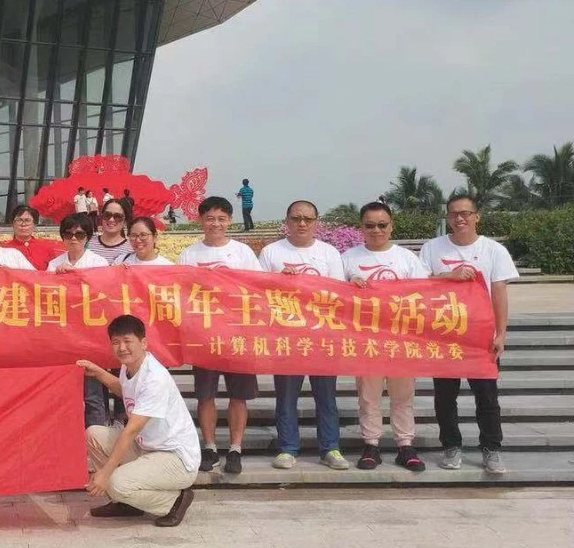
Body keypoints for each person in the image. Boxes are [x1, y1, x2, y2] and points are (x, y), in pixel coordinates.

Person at [420, 193, 517, 474]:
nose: (459, 218)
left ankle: (492, 449)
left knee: (487, 397)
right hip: (444, 334)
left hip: (480, 336)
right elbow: (419, 282)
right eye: (454, 214)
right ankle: (451, 446)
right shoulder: (432, 248)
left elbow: (499, 293)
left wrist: (501, 333)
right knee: (445, 397)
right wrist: (448, 276)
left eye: (465, 213)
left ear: (477, 217)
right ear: (447, 217)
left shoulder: (493, 250)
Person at [79, 315, 200, 526]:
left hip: (175, 459)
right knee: (93, 435)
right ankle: (126, 502)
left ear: (143, 343)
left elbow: (131, 430)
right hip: (147, 447)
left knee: (115, 482)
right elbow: (125, 390)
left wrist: (105, 473)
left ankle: (174, 502)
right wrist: (98, 373)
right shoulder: (130, 367)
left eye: (128, 341)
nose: (122, 348)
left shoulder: (154, 378)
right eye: (116, 342)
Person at [257, 201, 350, 472]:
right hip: (287, 337)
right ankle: (287, 448)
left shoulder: (329, 253)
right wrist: (278, 279)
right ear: (286, 221)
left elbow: (338, 292)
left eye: (308, 219)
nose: (302, 223)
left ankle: (330, 448)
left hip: (322, 337)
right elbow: (258, 292)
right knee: (286, 397)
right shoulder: (271, 252)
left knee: (326, 397)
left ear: (316, 222)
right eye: (296, 218)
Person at [341, 201, 431, 472]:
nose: (376, 230)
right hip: (365, 339)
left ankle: (405, 445)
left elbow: (425, 294)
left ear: (392, 226)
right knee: (368, 396)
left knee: (402, 396)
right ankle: (371, 445)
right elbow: (332, 294)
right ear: (361, 228)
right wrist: (348, 286)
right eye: (370, 225)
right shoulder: (348, 258)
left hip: (400, 339)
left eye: (382, 225)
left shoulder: (407, 258)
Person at [177, 196, 261, 474]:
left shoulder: (243, 253)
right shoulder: (189, 254)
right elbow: (179, 292)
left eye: (221, 219)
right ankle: (210, 447)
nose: (216, 224)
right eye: (210, 218)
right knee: (205, 395)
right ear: (201, 220)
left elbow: (260, 288)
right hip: (204, 337)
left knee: (239, 395)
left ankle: (235, 449)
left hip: (238, 335)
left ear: (230, 221)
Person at [0, 204, 64, 270]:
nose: (23, 224)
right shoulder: (4, 250)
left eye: (27, 220)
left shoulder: (46, 248)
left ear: (34, 224)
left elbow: (54, 271)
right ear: (12, 224)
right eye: (19, 220)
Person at [86, 199, 133, 263]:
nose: (111, 220)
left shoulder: (132, 248)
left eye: (117, 216)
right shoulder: (87, 243)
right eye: (107, 215)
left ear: (125, 221)